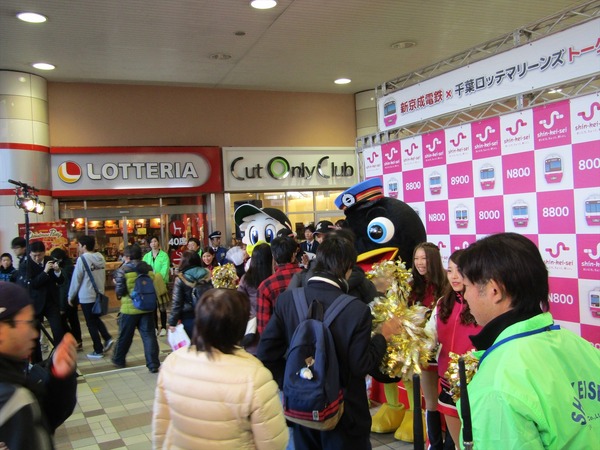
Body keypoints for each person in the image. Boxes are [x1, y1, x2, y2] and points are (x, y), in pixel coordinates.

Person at [257, 233, 401, 450]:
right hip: (346, 414)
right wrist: (383, 336)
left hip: (302, 412)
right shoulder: (355, 309)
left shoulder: (288, 300)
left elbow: (266, 354)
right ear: (347, 269)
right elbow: (361, 365)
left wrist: (295, 383)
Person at [458, 232, 600, 449]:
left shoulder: (497, 384)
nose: (464, 296)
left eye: (466, 286)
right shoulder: (581, 346)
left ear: (494, 291)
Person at [153, 288, 289, 449]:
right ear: (239, 326)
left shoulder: (173, 362)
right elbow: (272, 443)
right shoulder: (254, 375)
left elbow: (161, 425)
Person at [0, 281, 78, 449]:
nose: (35, 333)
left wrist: (60, 378)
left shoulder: (16, 374)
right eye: (28, 323)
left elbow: (43, 419)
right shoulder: (10, 397)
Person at [426, 249, 481, 449]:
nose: (454, 276)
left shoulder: (482, 304)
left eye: (460, 271)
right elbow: (429, 336)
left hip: (476, 386)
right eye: (450, 271)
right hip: (448, 385)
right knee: (458, 445)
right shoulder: (443, 303)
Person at [409, 242, 449, 449]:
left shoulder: (447, 283)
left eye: (424, 258)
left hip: (445, 350)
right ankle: (434, 443)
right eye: (416, 259)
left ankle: (452, 442)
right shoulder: (412, 285)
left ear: (433, 259)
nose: (419, 263)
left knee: (451, 401)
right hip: (423, 351)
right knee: (430, 401)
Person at [112, 244, 161, 373]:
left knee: (125, 336)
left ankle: (119, 359)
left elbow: (119, 292)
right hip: (147, 308)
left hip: (129, 309)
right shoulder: (148, 268)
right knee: (149, 336)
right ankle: (153, 364)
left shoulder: (123, 270)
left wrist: (117, 284)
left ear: (127, 256)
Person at [17, 240, 65, 362]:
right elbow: (32, 284)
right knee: (34, 336)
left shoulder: (50, 260)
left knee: (58, 331)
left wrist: (57, 271)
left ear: (44, 253)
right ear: (30, 254)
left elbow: (60, 281)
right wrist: (45, 272)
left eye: (40, 255)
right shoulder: (25, 265)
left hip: (51, 302)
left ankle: (61, 360)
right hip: (34, 304)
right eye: (34, 255)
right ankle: (37, 363)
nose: (37, 258)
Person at [67, 236, 113, 359]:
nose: (78, 247)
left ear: (84, 246)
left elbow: (76, 279)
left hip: (86, 295)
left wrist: (70, 296)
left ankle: (98, 349)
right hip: (99, 295)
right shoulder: (101, 258)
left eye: (79, 245)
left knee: (91, 323)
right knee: (95, 319)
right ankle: (107, 338)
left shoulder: (82, 259)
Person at [256, 236, 301, 334]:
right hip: (308, 340)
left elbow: (264, 328)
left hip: (280, 341)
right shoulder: (309, 277)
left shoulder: (266, 286)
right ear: (294, 254)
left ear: (274, 256)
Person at [238, 243, 273, 354]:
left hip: (252, 329)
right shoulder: (273, 278)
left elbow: (240, 301)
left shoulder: (246, 278)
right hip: (272, 327)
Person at [168, 251, 210, 338]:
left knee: (191, 347)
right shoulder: (208, 275)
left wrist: (172, 322)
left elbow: (177, 303)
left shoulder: (180, 279)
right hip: (207, 315)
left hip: (188, 317)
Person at [51, 247, 83, 351]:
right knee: (73, 320)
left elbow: (64, 287)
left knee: (64, 320)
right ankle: (77, 340)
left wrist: (62, 305)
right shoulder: (69, 266)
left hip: (67, 299)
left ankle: (75, 340)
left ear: (59, 259)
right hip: (72, 297)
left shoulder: (66, 269)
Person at [143, 236, 171, 337]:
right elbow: (144, 269)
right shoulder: (146, 256)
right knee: (153, 307)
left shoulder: (164, 255)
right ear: (149, 244)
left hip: (161, 284)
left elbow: (165, 270)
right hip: (150, 285)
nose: (153, 243)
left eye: (155, 241)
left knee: (162, 307)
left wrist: (157, 279)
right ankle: (155, 327)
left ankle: (163, 327)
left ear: (158, 243)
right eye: (151, 242)